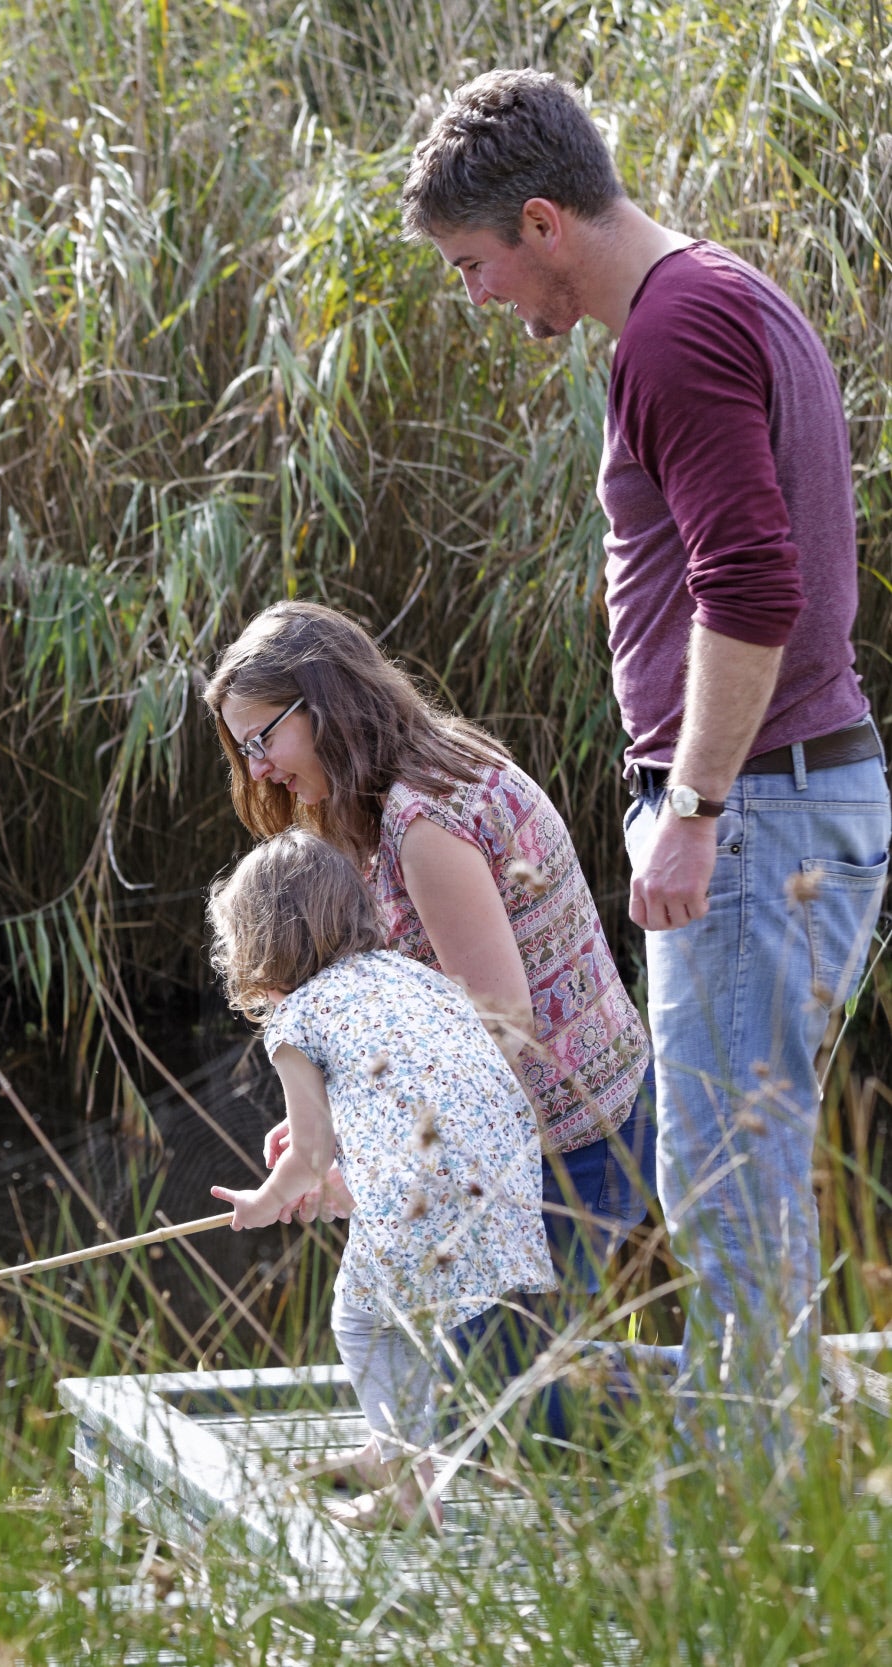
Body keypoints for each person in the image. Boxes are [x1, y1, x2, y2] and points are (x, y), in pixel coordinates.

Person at [402, 70, 889, 1465]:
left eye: (475, 267)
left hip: (760, 809)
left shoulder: (674, 331)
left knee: (727, 1185)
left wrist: (691, 807)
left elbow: (752, 581)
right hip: (799, 792)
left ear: (543, 221)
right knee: (744, 1168)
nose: (478, 298)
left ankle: (756, 1507)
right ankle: (768, 1469)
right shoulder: (718, 295)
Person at [205, 601, 651, 1472]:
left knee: (513, 1415)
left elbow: (499, 1034)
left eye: (264, 739)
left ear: (322, 703)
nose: (258, 769)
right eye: (243, 750)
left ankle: (755, 1390)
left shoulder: (423, 825)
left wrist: (370, 1165)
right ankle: (726, 1375)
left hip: (571, 1146)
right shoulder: (406, 776)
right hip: (535, 1137)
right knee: (487, 1392)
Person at [207, 830, 554, 1530]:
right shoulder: (409, 976)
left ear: (256, 945)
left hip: (427, 1192)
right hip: (508, 1176)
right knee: (412, 1325)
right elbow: (411, 1099)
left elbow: (305, 1159)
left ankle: (410, 1490)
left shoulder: (295, 1018)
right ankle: (398, 1451)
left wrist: (263, 1201)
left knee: (364, 1323)